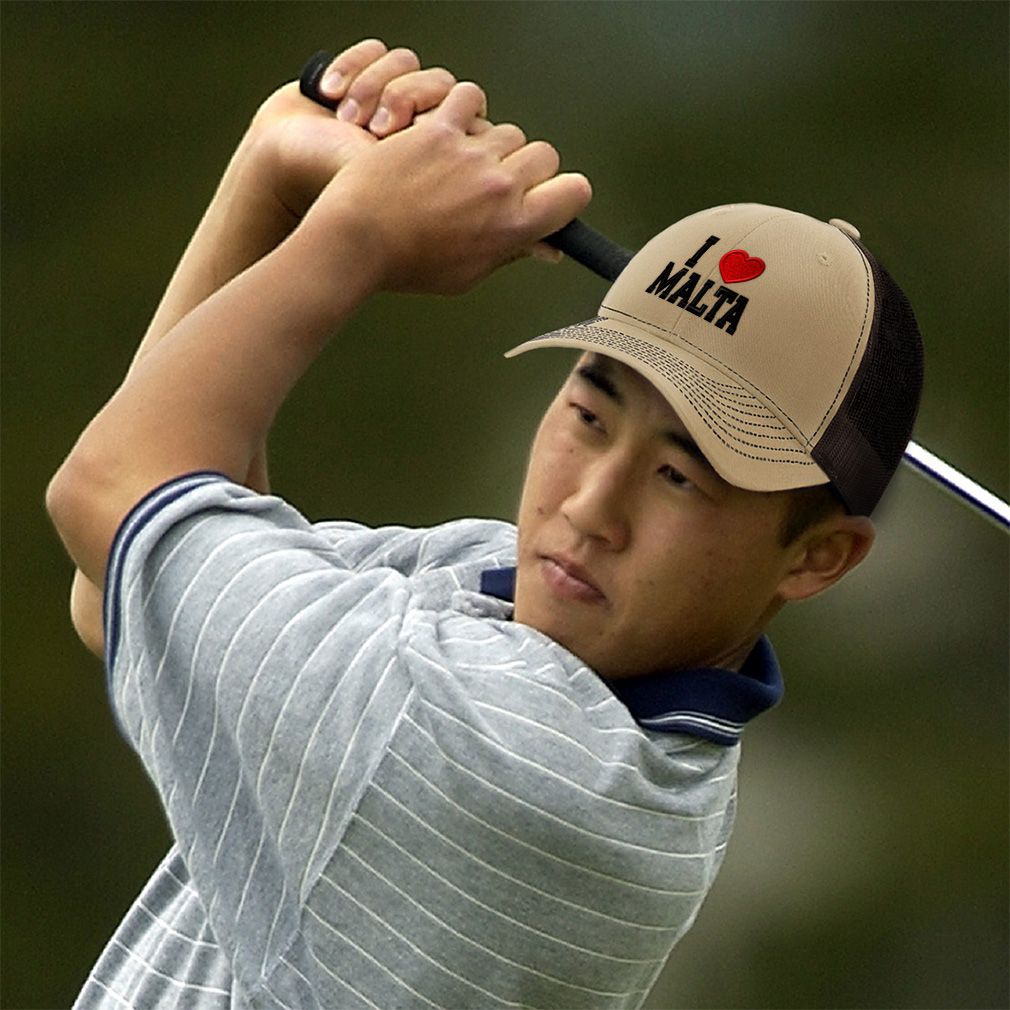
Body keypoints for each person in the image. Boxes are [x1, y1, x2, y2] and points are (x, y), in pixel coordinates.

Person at [47, 38, 923, 1010]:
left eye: (679, 476)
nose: (588, 508)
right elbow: (124, 580)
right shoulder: (512, 597)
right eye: (589, 415)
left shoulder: (511, 761)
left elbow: (110, 492)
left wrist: (356, 232)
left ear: (817, 557)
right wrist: (277, 182)